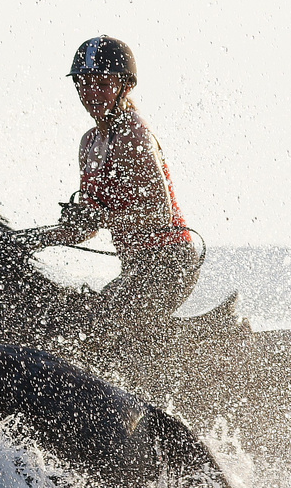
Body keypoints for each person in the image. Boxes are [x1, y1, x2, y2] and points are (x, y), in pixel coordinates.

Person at [22, 35, 200, 323]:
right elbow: (85, 230)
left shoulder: (133, 134)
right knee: (82, 319)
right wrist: (29, 241)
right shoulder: (88, 143)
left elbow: (159, 214)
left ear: (125, 87)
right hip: (136, 267)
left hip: (170, 263)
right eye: (85, 83)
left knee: (102, 327)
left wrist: (100, 218)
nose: (92, 93)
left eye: (103, 85)